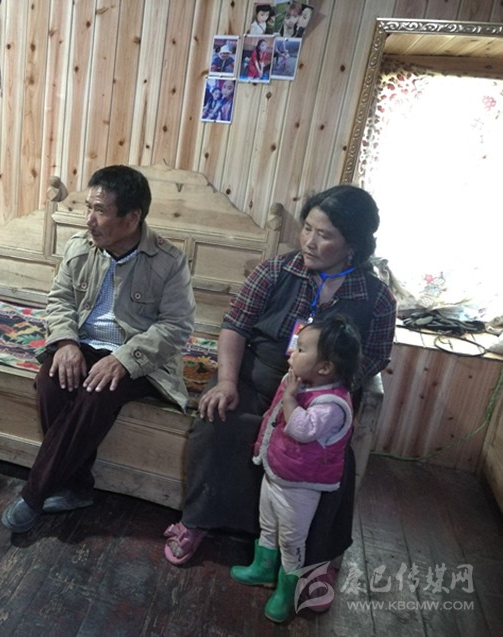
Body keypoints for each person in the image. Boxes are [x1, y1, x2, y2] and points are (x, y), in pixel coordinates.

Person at [162, 185, 396, 606]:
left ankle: (312, 561)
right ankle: (198, 521)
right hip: (259, 375)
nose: (309, 241)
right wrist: (227, 382)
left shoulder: (376, 297)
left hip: (323, 393)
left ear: (353, 245)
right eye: (307, 229)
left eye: (324, 235)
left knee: (328, 456)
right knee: (217, 422)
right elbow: (235, 326)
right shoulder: (276, 270)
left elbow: (376, 354)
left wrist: (329, 391)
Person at [0, 165, 196, 533]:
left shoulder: (168, 262)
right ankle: (76, 486)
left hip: (139, 357)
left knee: (96, 392)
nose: (89, 219)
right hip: (84, 343)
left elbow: (176, 326)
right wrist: (66, 342)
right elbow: (59, 299)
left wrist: (123, 360)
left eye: (100, 210)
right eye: (88, 207)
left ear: (131, 218)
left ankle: (34, 493)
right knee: (51, 382)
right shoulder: (80, 246)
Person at [230, 315, 361, 623]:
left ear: (325, 368)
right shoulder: (304, 383)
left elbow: (302, 430)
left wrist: (290, 398)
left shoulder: (331, 404)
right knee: (268, 525)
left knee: (291, 541)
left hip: (301, 487)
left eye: (301, 349)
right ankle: (263, 568)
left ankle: (285, 591)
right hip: (278, 473)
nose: (292, 353)